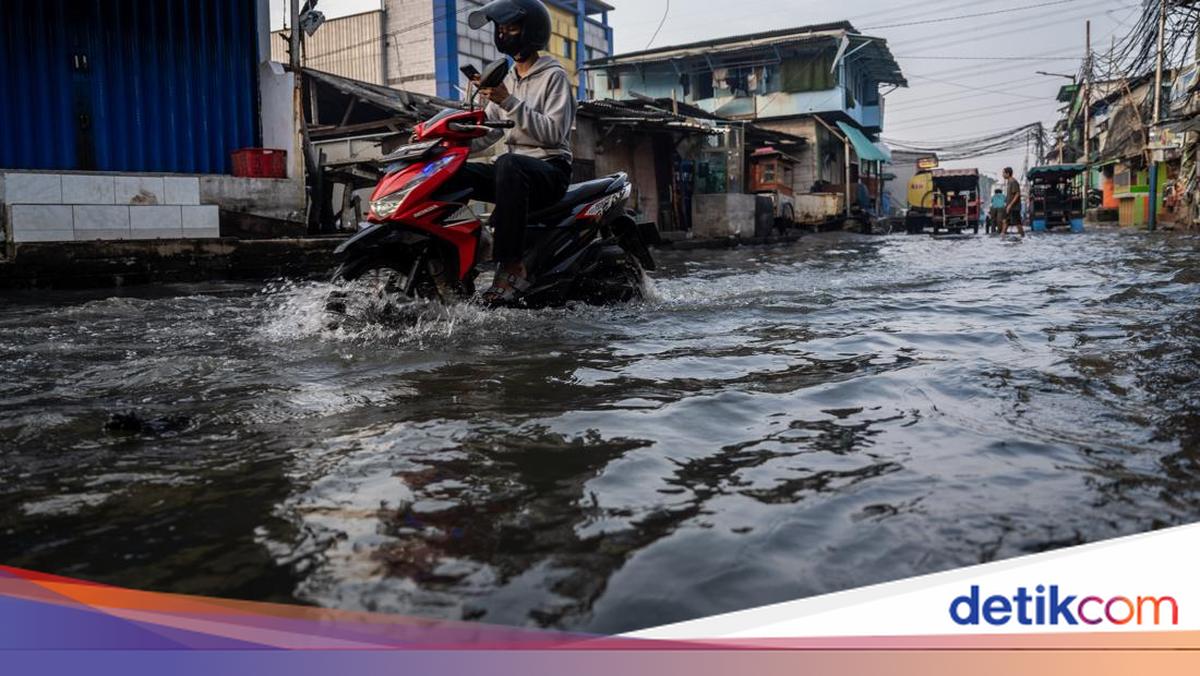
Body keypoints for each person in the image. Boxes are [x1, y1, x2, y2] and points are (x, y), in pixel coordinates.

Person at [451, 0, 576, 304]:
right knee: (454, 171)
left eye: (511, 27)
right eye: (500, 29)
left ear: (530, 30)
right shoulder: (505, 80)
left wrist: (509, 102)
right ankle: (464, 252)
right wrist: (452, 142)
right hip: (513, 175)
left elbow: (553, 134)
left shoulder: (554, 76)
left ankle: (511, 263)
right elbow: (491, 133)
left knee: (508, 163)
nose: (504, 34)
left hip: (549, 171)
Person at [1000, 167, 1024, 236]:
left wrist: (1010, 205)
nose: (1002, 175)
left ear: (1008, 173)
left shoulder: (1013, 182)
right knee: (1005, 220)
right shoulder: (1009, 182)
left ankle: (1022, 235)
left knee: (1017, 223)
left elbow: (1017, 194)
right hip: (1009, 206)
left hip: (1014, 207)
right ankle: (1003, 235)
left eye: (1004, 173)